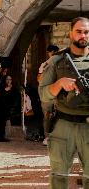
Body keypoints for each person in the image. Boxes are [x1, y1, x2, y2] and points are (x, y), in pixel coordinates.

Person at [38, 17, 89, 188]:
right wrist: (59, 84)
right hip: (63, 125)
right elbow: (43, 94)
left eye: (87, 32)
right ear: (70, 33)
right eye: (79, 31)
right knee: (59, 176)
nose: (83, 35)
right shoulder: (57, 61)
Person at [37, 44, 59, 145]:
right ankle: (47, 137)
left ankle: (51, 136)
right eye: (52, 52)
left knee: (52, 116)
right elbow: (39, 79)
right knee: (47, 116)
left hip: (55, 94)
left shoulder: (58, 62)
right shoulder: (45, 64)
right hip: (48, 94)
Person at [0, 75, 21, 142]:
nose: (9, 81)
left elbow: (15, 95)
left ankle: (1, 137)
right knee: (0, 122)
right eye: (7, 79)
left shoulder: (13, 88)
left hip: (8, 107)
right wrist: (5, 90)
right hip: (1, 107)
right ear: (5, 80)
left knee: (4, 122)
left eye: (10, 79)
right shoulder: (2, 87)